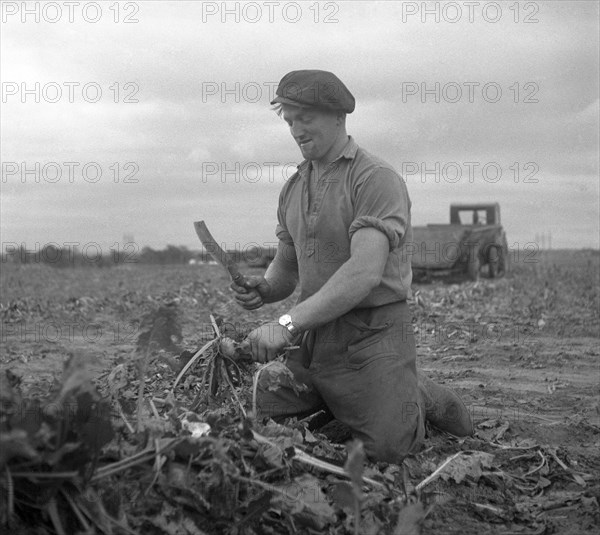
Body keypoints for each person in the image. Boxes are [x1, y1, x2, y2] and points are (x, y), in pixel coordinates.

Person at [232, 70, 473, 464]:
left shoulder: (374, 179)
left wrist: (286, 323)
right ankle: (348, 397)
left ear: (339, 117)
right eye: (290, 120)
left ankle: (415, 392)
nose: (295, 129)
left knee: (386, 449)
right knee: (257, 412)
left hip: (373, 333)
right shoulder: (293, 188)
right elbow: (286, 269)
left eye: (305, 118)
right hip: (314, 337)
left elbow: (364, 272)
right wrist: (263, 289)